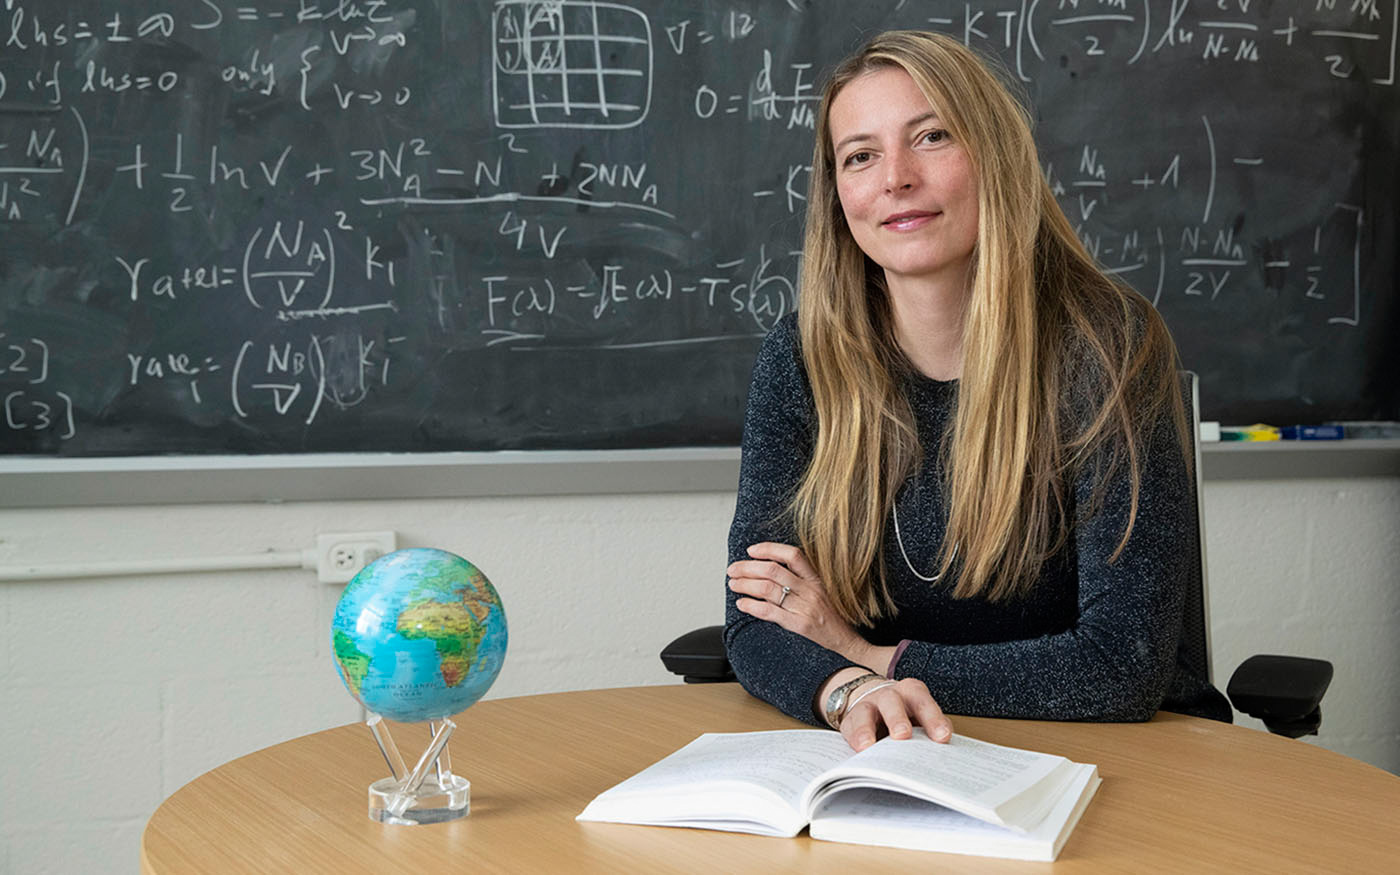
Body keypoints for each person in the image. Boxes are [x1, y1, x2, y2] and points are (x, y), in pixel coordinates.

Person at [723, 30, 1231, 753]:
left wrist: (873, 655)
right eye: (860, 155)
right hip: (901, 752)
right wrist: (850, 690)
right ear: (839, 195)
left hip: (1125, 759)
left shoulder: (1107, 345)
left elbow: (1121, 667)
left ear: (992, 153)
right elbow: (753, 618)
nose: (895, 178)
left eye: (931, 137)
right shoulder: (804, 357)